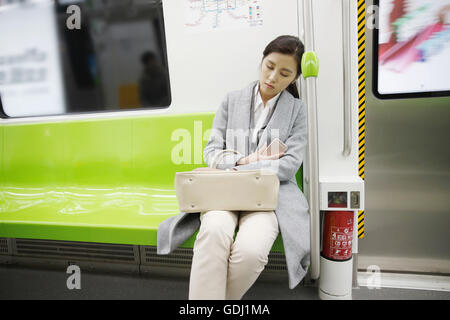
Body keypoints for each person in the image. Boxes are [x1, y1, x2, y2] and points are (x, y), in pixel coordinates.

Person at [157, 35, 310, 300]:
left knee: (251, 252)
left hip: (270, 197)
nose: (273, 77)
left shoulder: (297, 110)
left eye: (284, 73)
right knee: (213, 234)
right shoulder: (231, 100)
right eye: (269, 66)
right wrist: (247, 162)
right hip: (224, 193)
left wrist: (236, 166)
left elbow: (288, 166)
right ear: (262, 61)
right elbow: (211, 153)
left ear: (294, 78)